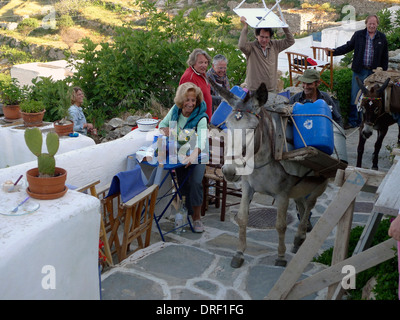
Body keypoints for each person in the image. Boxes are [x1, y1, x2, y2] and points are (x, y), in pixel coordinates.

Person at [159, 82, 209, 233]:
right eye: (187, 100)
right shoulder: (175, 110)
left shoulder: (201, 117)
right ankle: (186, 210)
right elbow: (162, 124)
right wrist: (165, 130)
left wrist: (192, 156)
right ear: (181, 100)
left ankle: (197, 218)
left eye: (193, 100)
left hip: (199, 155)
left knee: (195, 184)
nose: (190, 104)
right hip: (180, 153)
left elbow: (202, 140)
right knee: (182, 184)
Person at [326, 14, 388, 129]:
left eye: (374, 23)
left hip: (374, 74)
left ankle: (367, 121)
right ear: (366, 23)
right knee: (355, 96)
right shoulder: (359, 35)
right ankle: (353, 121)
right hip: (359, 71)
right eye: (370, 23)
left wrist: (383, 72)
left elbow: (385, 56)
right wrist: (333, 52)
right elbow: (348, 47)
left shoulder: (382, 37)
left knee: (371, 98)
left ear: (377, 24)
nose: (372, 25)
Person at [239, 16, 294, 92]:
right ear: (256, 36)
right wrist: (245, 27)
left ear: (270, 37)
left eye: (267, 37)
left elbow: (290, 41)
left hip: (270, 89)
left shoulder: (275, 45)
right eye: (261, 37)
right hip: (254, 89)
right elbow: (241, 46)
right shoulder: (251, 47)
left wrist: (284, 26)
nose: (264, 40)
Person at [179, 48, 213, 119]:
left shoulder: (202, 74)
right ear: (193, 62)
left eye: (206, 62)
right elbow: (187, 103)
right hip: (195, 121)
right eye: (200, 62)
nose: (204, 65)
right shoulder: (189, 77)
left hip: (204, 119)